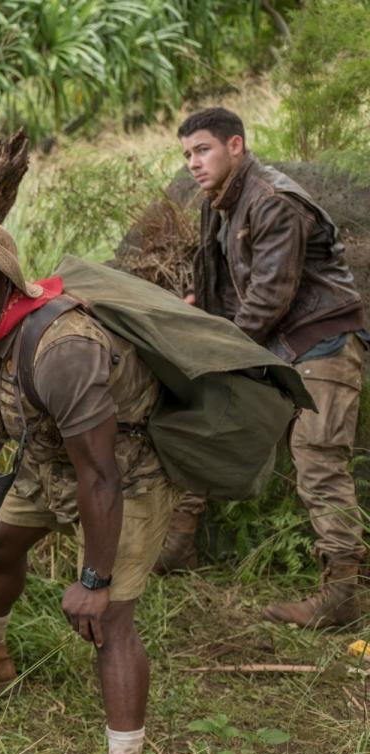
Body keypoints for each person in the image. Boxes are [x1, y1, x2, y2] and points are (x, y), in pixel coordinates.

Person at [0, 217, 174, 754]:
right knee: (0, 544)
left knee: (108, 621)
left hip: (122, 475)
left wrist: (93, 579)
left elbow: (100, 473)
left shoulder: (63, 348)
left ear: (6, 282)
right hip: (50, 463)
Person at [166, 107, 368, 627]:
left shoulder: (272, 200)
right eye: (187, 153)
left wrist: (216, 351)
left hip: (319, 341)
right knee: (209, 424)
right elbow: (227, 289)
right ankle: (178, 542)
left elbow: (270, 296)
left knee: (319, 459)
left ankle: (343, 594)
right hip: (273, 345)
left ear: (236, 145)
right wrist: (203, 319)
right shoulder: (222, 203)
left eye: (203, 149)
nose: (193, 162)